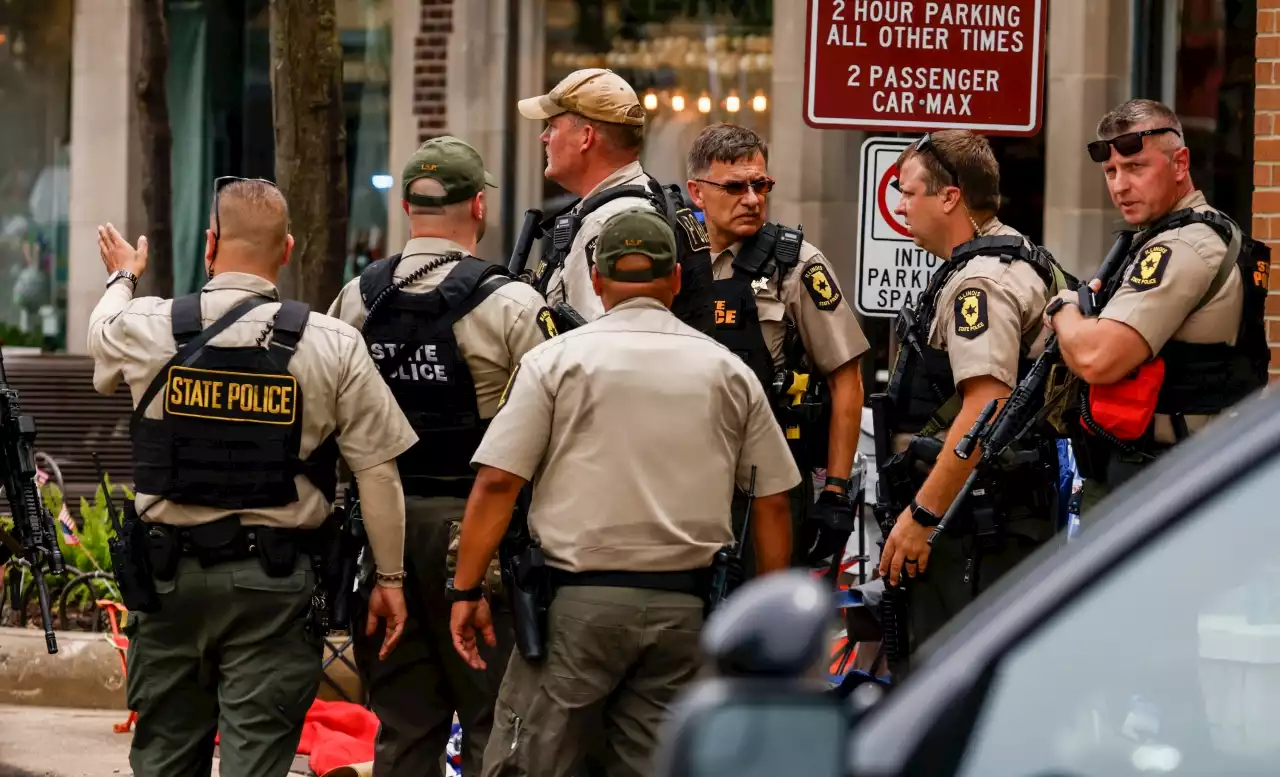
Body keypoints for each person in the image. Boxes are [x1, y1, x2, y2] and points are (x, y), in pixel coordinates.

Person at [448, 207, 800, 777]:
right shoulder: (728, 370)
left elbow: (497, 482)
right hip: (685, 613)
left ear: (596, 277)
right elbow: (774, 500)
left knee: (534, 761)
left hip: (575, 610)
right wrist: (765, 621)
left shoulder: (555, 361)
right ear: (677, 278)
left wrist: (465, 590)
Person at [86, 177, 413, 777]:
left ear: (210, 243)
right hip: (275, 587)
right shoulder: (333, 344)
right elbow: (377, 474)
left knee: (163, 760)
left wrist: (123, 276)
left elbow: (100, 336)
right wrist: (389, 577)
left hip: (168, 585)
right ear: (286, 250)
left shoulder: (149, 326)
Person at [326, 136, 552, 777]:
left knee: (402, 725)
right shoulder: (513, 304)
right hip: (480, 534)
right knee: (493, 721)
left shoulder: (356, 298)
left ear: (404, 206)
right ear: (478, 205)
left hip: (382, 534)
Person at [877, 131, 1072, 653]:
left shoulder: (980, 283)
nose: (900, 206)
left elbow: (986, 408)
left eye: (909, 191)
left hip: (976, 526)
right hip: (986, 518)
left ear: (949, 197)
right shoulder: (1010, 259)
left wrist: (922, 517)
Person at [1044, 98, 1269, 517]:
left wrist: (1063, 310)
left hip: (1165, 477)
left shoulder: (1181, 246)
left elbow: (1097, 359)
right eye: (1111, 172)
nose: (1119, 186)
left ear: (1180, 164)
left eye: (1136, 168)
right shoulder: (1169, 235)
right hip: (1172, 471)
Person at [685, 122, 870, 579]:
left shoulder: (796, 265)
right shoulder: (673, 257)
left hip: (765, 483)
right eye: (735, 186)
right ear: (697, 191)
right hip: (682, 478)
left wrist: (837, 493)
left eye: (761, 184)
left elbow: (846, 378)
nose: (752, 198)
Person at [516, 67, 715, 332]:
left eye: (552, 126)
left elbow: (603, 350)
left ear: (586, 137)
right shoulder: (642, 200)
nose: (543, 137)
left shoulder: (612, 223)